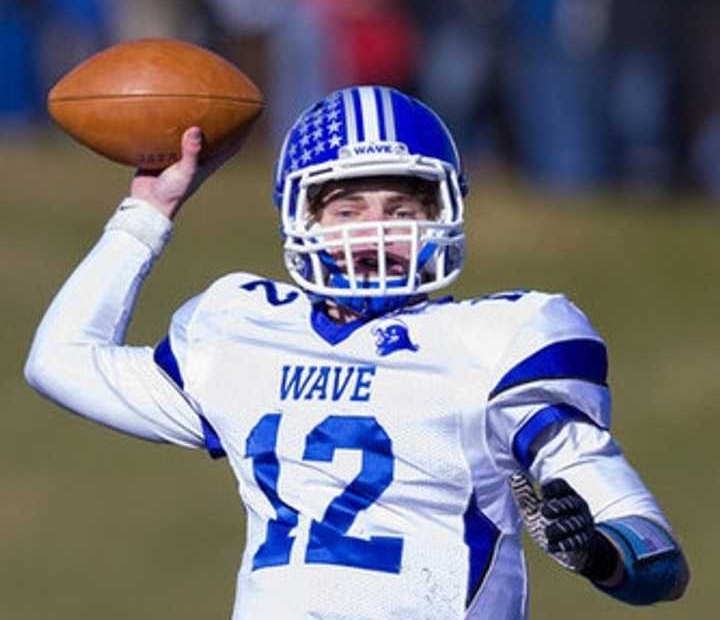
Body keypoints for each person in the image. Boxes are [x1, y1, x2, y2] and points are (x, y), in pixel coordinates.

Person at [26, 86, 688, 619]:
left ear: (443, 215)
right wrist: (146, 213)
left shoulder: (499, 342)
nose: (377, 230)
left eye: (401, 207)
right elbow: (58, 361)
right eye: (348, 209)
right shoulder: (241, 328)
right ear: (302, 218)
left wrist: (603, 554)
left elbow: (656, 562)